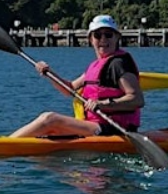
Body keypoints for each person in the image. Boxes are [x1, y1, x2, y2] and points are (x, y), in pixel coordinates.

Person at [10, 15, 144, 138]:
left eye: (108, 35)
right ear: (91, 39)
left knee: (49, 119)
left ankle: (7, 144)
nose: (103, 39)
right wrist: (49, 73)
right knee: (48, 134)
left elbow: (136, 99)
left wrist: (102, 104)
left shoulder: (119, 64)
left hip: (115, 129)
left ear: (117, 37)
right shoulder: (97, 65)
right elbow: (70, 89)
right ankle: (8, 143)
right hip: (96, 126)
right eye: (98, 35)